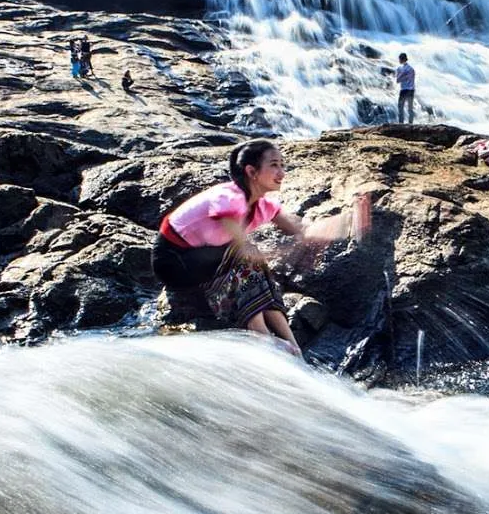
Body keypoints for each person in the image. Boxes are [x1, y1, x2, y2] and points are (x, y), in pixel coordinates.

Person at [150, 140, 368, 355]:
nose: (281, 172)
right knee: (247, 256)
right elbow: (241, 250)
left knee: (254, 264)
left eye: (283, 165)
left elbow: (302, 230)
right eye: (274, 165)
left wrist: (348, 221)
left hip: (208, 258)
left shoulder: (263, 205)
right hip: (174, 260)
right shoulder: (228, 198)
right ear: (252, 171)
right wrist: (286, 254)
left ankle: (292, 344)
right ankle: (260, 335)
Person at [389, 52, 416, 124]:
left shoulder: (400, 68)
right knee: (410, 108)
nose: (399, 60)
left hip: (404, 90)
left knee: (401, 107)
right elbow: (411, 79)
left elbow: (398, 80)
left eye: (399, 59)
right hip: (411, 90)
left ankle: (401, 124)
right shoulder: (411, 69)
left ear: (401, 59)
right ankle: (411, 124)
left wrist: (402, 76)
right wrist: (405, 77)